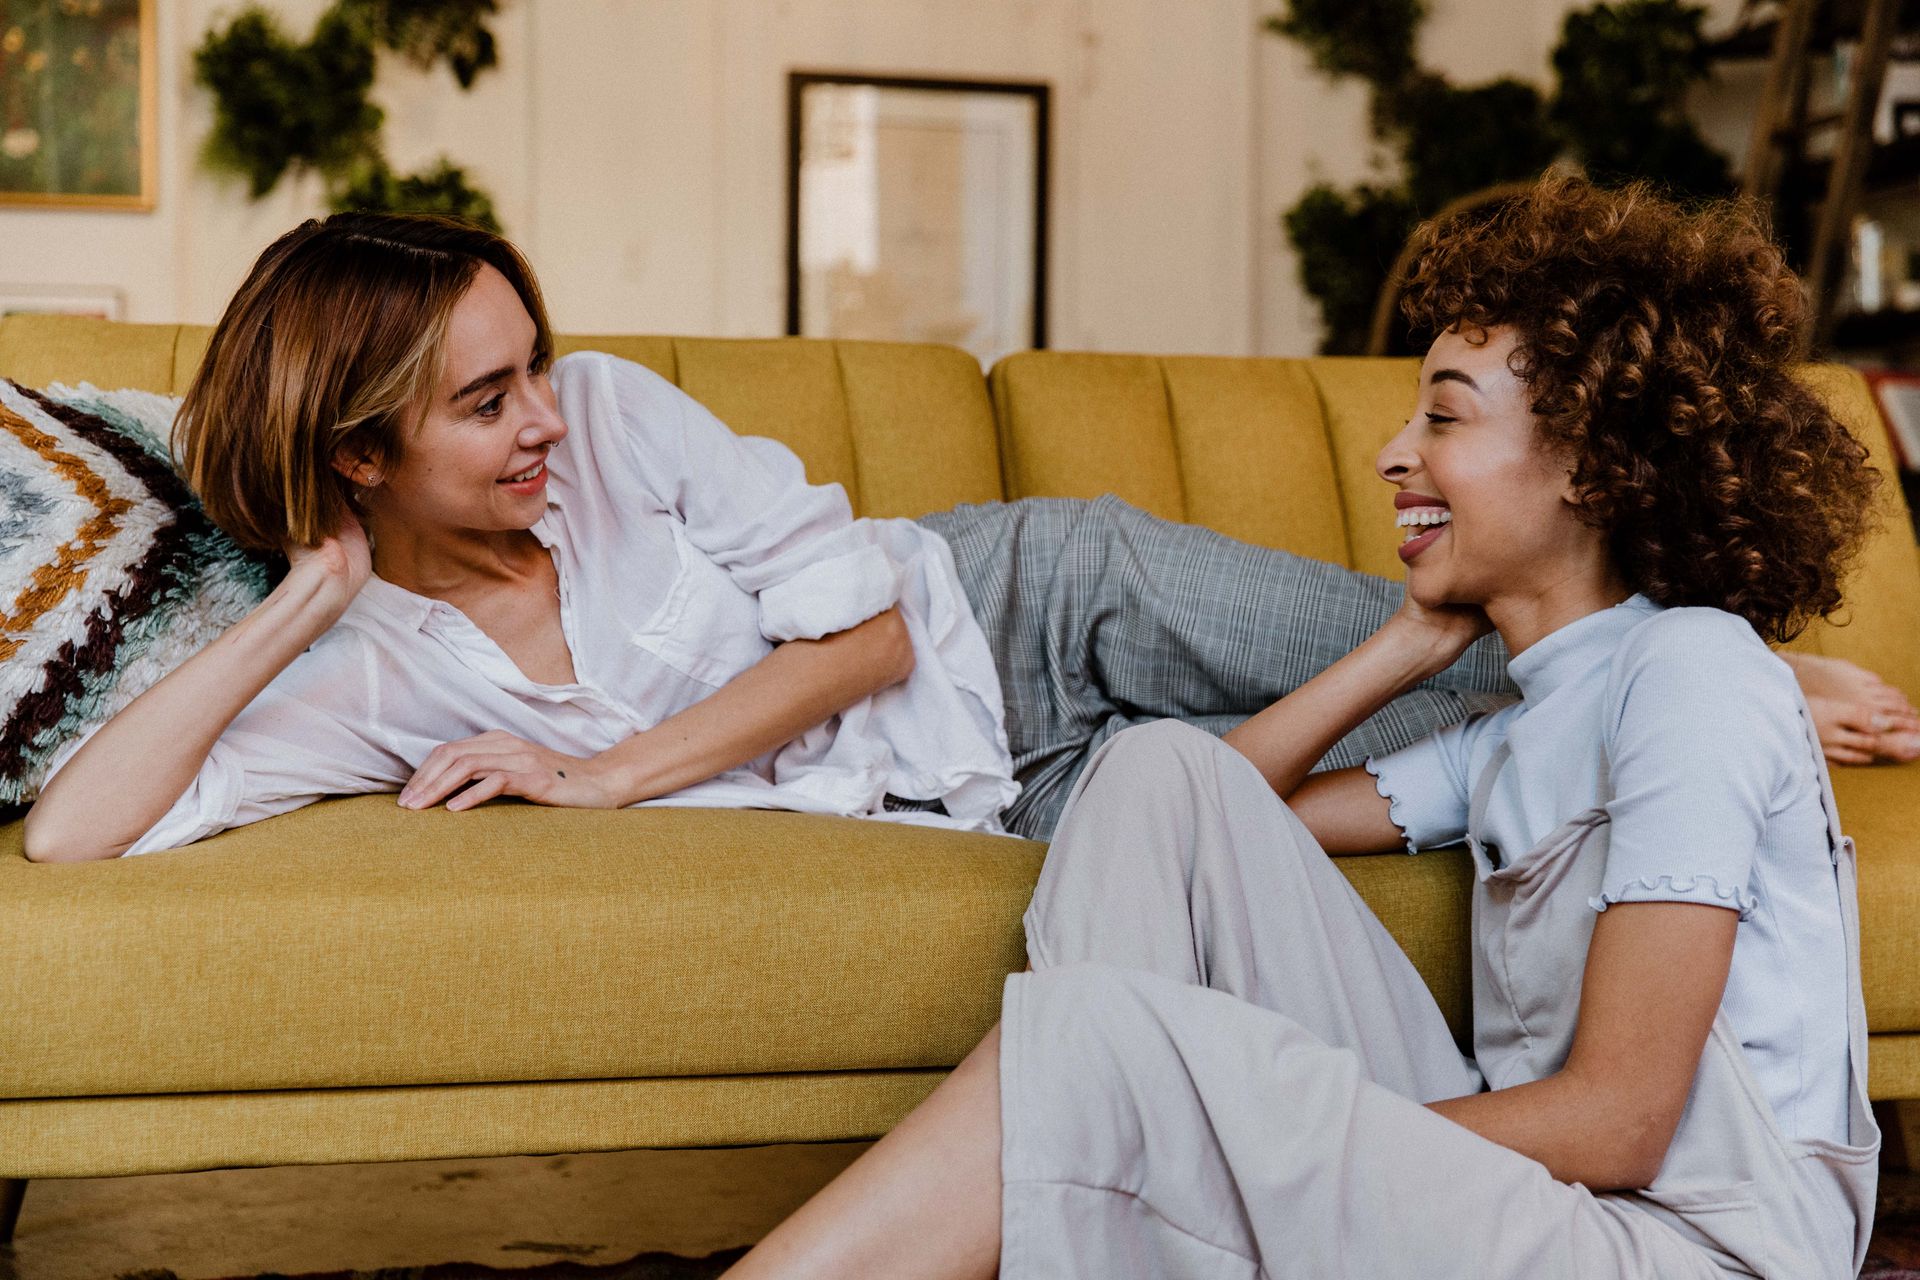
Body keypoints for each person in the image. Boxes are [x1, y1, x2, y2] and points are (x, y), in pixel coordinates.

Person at [719, 177, 1883, 1280]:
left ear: (1590, 463)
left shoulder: (1692, 672)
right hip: (1540, 1206)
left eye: (1444, 416)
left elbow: (1622, 1119)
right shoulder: (1513, 730)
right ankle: (1124, 1196)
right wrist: (1404, 644)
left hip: (1685, 1248)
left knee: (1106, 1045)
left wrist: (1258, 1143)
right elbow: (1210, 805)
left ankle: (1129, 1172)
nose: (1393, 453)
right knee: (1153, 766)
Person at [19, 205, 1915, 862]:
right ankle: (1714, 700)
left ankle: (1729, 677)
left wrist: (607, 780)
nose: (542, 420)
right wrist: (302, 600)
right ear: (357, 454)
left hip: (1029, 604)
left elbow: (865, 638)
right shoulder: (363, 664)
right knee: (1442, 760)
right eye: (483, 402)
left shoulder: (611, 416)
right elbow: (76, 834)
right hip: (991, 794)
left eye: (530, 368)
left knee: (1473, 651)